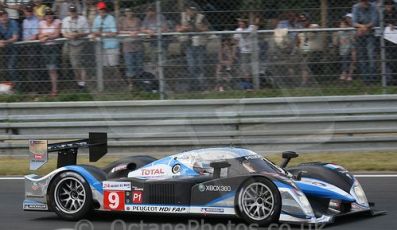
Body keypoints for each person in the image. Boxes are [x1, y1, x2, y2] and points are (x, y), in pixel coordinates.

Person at [176, 6, 209, 91]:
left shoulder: (201, 17)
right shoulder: (183, 16)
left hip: (199, 44)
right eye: (188, 10)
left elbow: (206, 28)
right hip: (188, 44)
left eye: (192, 10)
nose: (190, 12)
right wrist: (185, 28)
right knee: (191, 66)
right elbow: (177, 28)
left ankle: (202, 85)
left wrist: (197, 28)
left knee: (200, 65)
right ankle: (193, 85)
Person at [91, 1, 121, 89]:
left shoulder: (110, 18)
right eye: (100, 9)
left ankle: (119, 83)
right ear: (98, 10)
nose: (102, 11)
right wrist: (96, 34)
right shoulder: (97, 19)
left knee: (113, 65)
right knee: (104, 66)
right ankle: (108, 84)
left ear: (106, 10)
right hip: (101, 46)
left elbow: (114, 32)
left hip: (112, 45)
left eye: (103, 9)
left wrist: (101, 34)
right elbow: (94, 31)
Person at [62, 4, 90, 89]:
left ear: (76, 11)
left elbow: (87, 31)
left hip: (79, 43)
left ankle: (81, 83)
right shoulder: (65, 20)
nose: (72, 13)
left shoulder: (83, 19)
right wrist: (68, 35)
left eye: (74, 11)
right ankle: (69, 79)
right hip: (69, 42)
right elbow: (63, 32)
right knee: (64, 58)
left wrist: (78, 34)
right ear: (68, 12)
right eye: (71, 11)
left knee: (76, 64)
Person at [352, 0, 378, 85]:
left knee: (371, 55)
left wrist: (363, 27)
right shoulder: (356, 7)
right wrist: (362, 26)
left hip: (370, 34)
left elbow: (374, 21)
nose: (364, 3)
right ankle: (365, 79)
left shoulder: (373, 6)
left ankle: (373, 78)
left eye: (365, 1)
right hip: (360, 34)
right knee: (362, 57)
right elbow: (354, 22)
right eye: (362, 1)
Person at [118, 8, 144, 90]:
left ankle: (140, 83)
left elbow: (141, 30)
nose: (129, 13)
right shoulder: (122, 20)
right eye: (127, 11)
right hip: (127, 47)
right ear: (125, 13)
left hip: (138, 46)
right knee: (129, 66)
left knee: (139, 65)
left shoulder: (137, 20)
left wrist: (137, 32)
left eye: (130, 11)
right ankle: (131, 84)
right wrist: (129, 32)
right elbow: (118, 31)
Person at [38, 7, 61, 96]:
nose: (49, 16)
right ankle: (50, 88)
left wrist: (46, 36)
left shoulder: (57, 22)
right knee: (48, 69)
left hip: (53, 47)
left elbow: (57, 34)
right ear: (44, 16)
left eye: (50, 14)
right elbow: (40, 36)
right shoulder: (41, 23)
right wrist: (48, 35)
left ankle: (54, 90)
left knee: (53, 69)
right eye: (47, 15)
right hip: (44, 48)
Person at [22, 3, 40, 92]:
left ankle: (35, 89)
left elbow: (35, 35)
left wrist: (27, 39)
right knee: (28, 68)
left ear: (32, 12)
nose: (28, 13)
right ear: (24, 12)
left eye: (30, 11)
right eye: (27, 11)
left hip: (34, 47)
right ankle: (30, 88)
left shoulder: (36, 20)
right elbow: (24, 35)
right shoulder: (24, 21)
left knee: (33, 68)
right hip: (26, 47)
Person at [233, 18, 256, 90]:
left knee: (253, 68)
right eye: (239, 22)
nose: (240, 24)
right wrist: (234, 52)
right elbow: (235, 42)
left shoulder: (251, 28)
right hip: (244, 52)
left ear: (245, 23)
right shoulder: (238, 30)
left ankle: (255, 84)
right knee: (245, 69)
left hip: (253, 52)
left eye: (241, 22)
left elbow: (256, 25)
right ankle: (248, 86)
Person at [0, 9, 18, 91]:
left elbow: (15, 38)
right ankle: (5, 88)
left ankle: (16, 87)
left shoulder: (13, 23)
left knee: (11, 67)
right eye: (1, 16)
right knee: (3, 69)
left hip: (13, 48)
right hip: (2, 49)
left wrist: (5, 41)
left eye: (4, 16)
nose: (3, 18)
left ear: (7, 16)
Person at [383, 0, 397, 85]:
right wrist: (388, 24)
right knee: (388, 59)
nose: (388, 6)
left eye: (390, 4)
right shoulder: (383, 13)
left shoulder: (396, 12)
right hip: (388, 39)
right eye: (387, 5)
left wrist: (393, 23)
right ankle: (389, 79)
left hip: (395, 38)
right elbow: (381, 22)